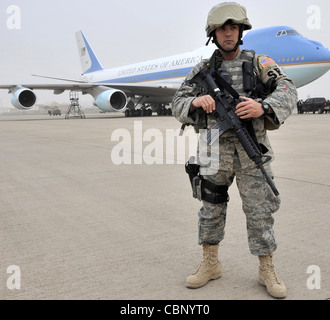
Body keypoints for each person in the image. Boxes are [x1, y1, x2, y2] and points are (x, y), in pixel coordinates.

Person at [171, 2, 298, 299]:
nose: (228, 33)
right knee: (211, 209)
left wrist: (263, 106)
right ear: (213, 34)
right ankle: (211, 263)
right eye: (222, 29)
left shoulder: (259, 63)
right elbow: (177, 102)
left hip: (252, 150)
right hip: (214, 153)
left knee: (260, 212)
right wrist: (194, 103)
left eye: (233, 28)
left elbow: (288, 88)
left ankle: (266, 268)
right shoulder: (202, 70)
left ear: (241, 31)